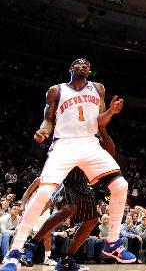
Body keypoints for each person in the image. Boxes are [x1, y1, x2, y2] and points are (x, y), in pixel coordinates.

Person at [0, 58, 134, 271]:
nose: (84, 65)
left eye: (88, 64)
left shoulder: (98, 88)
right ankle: (14, 251)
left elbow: (99, 121)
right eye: (79, 63)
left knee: (120, 185)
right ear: (71, 69)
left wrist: (111, 112)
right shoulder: (56, 90)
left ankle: (112, 242)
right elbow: (48, 119)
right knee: (44, 193)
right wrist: (43, 131)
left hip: (89, 143)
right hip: (64, 144)